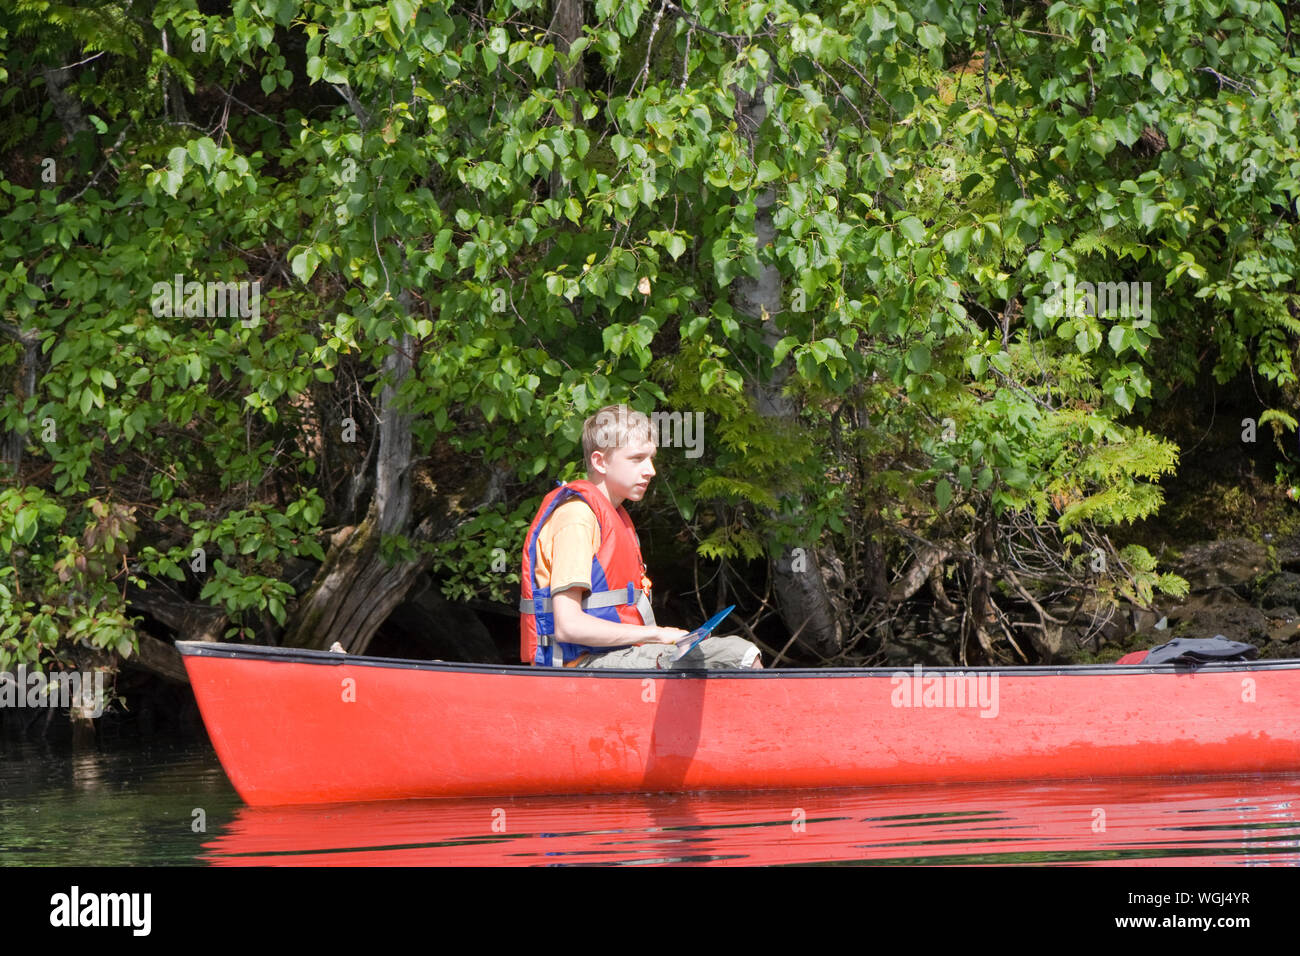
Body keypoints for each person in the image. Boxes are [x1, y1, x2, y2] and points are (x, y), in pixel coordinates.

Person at [519, 404, 763, 670]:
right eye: (636, 459)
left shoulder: (614, 515)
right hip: (581, 665)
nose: (651, 470)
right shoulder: (577, 518)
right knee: (740, 656)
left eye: (651, 458)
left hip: (616, 655)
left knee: (725, 654)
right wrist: (658, 635)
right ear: (600, 461)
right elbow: (569, 626)